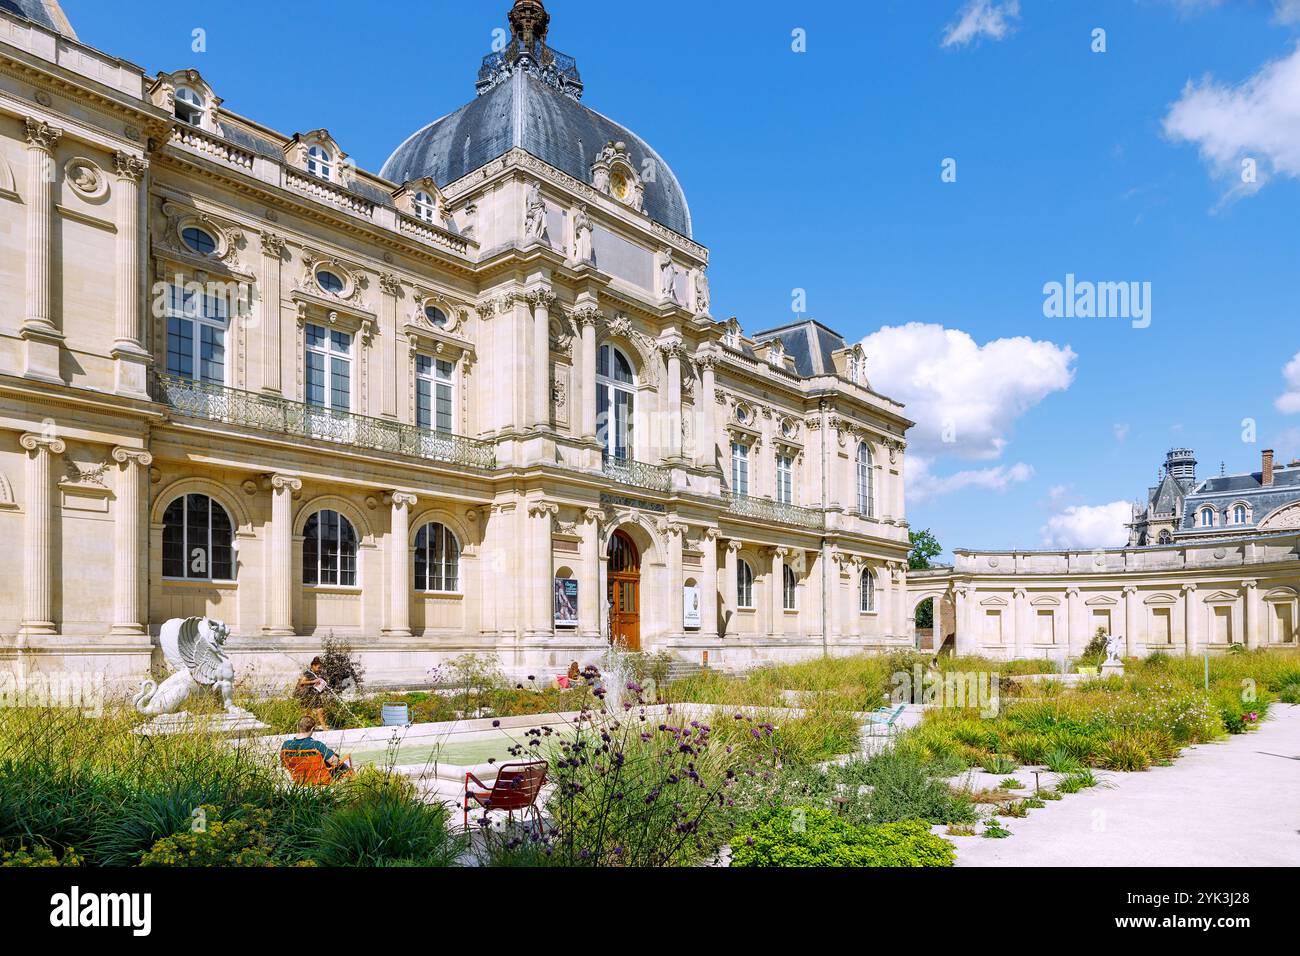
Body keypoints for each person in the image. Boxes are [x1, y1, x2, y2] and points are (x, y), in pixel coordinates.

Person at [281, 716, 353, 780]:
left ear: (298, 727)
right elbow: (335, 762)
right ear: (312, 729)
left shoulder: (286, 745)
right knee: (343, 765)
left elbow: (284, 763)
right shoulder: (317, 745)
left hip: (300, 779)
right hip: (321, 779)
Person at [295, 656, 330, 730]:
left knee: (320, 710)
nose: (319, 669)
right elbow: (302, 682)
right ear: (313, 666)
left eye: (320, 667)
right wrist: (313, 681)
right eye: (318, 667)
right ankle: (306, 728)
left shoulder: (317, 673)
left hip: (315, 694)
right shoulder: (308, 673)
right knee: (308, 713)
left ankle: (324, 727)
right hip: (308, 695)